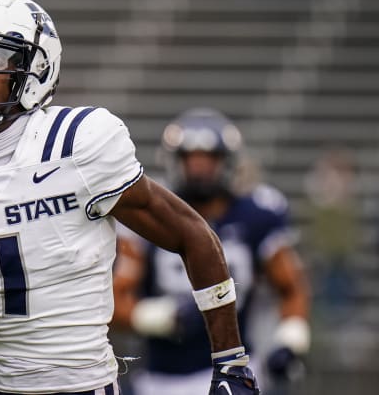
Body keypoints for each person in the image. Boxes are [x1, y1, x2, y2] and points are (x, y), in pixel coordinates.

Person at [0, 0, 260, 394]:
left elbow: (193, 235)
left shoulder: (80, 143)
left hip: (80, 384)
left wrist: (230, 361)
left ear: (36, 66)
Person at [111, 108, 311, 395]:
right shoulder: (151, 216)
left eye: (208, 160)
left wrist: (291, 340)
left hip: (236, 367)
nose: (199, 169)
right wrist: (159, 316)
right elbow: (114, 300)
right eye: (191, 159)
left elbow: (292, 287)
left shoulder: (258, 213)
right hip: (160, 378)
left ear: (227, 162)